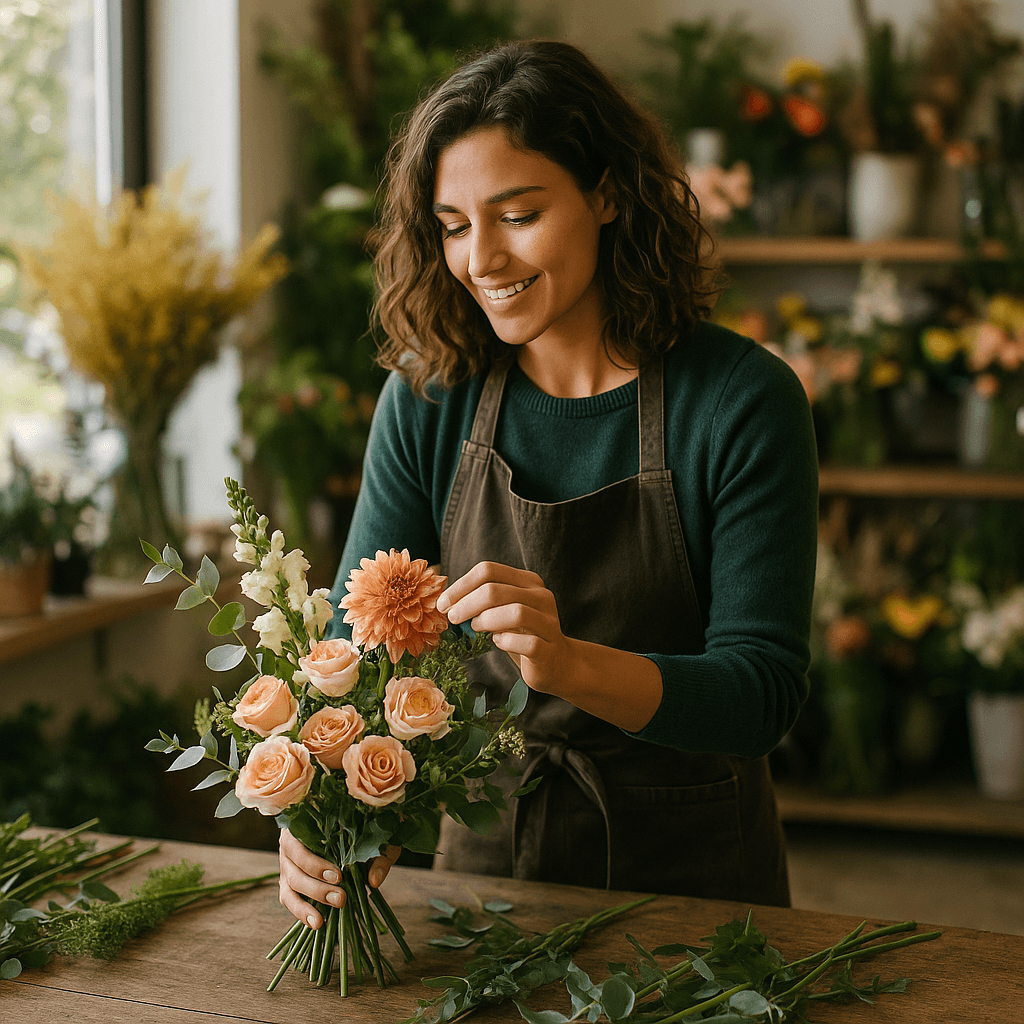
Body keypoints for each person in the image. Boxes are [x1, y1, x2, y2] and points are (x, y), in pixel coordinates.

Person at [277, 38, 818, 931]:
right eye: (454, 226)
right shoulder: (428, 398)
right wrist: (319, 810)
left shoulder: (741, 401)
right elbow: (356, 653)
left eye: (518, 215)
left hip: (698, 889)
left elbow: (759, 697)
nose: (481, 259)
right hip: (488, 872)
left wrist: (568, 664)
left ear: (606, 193)